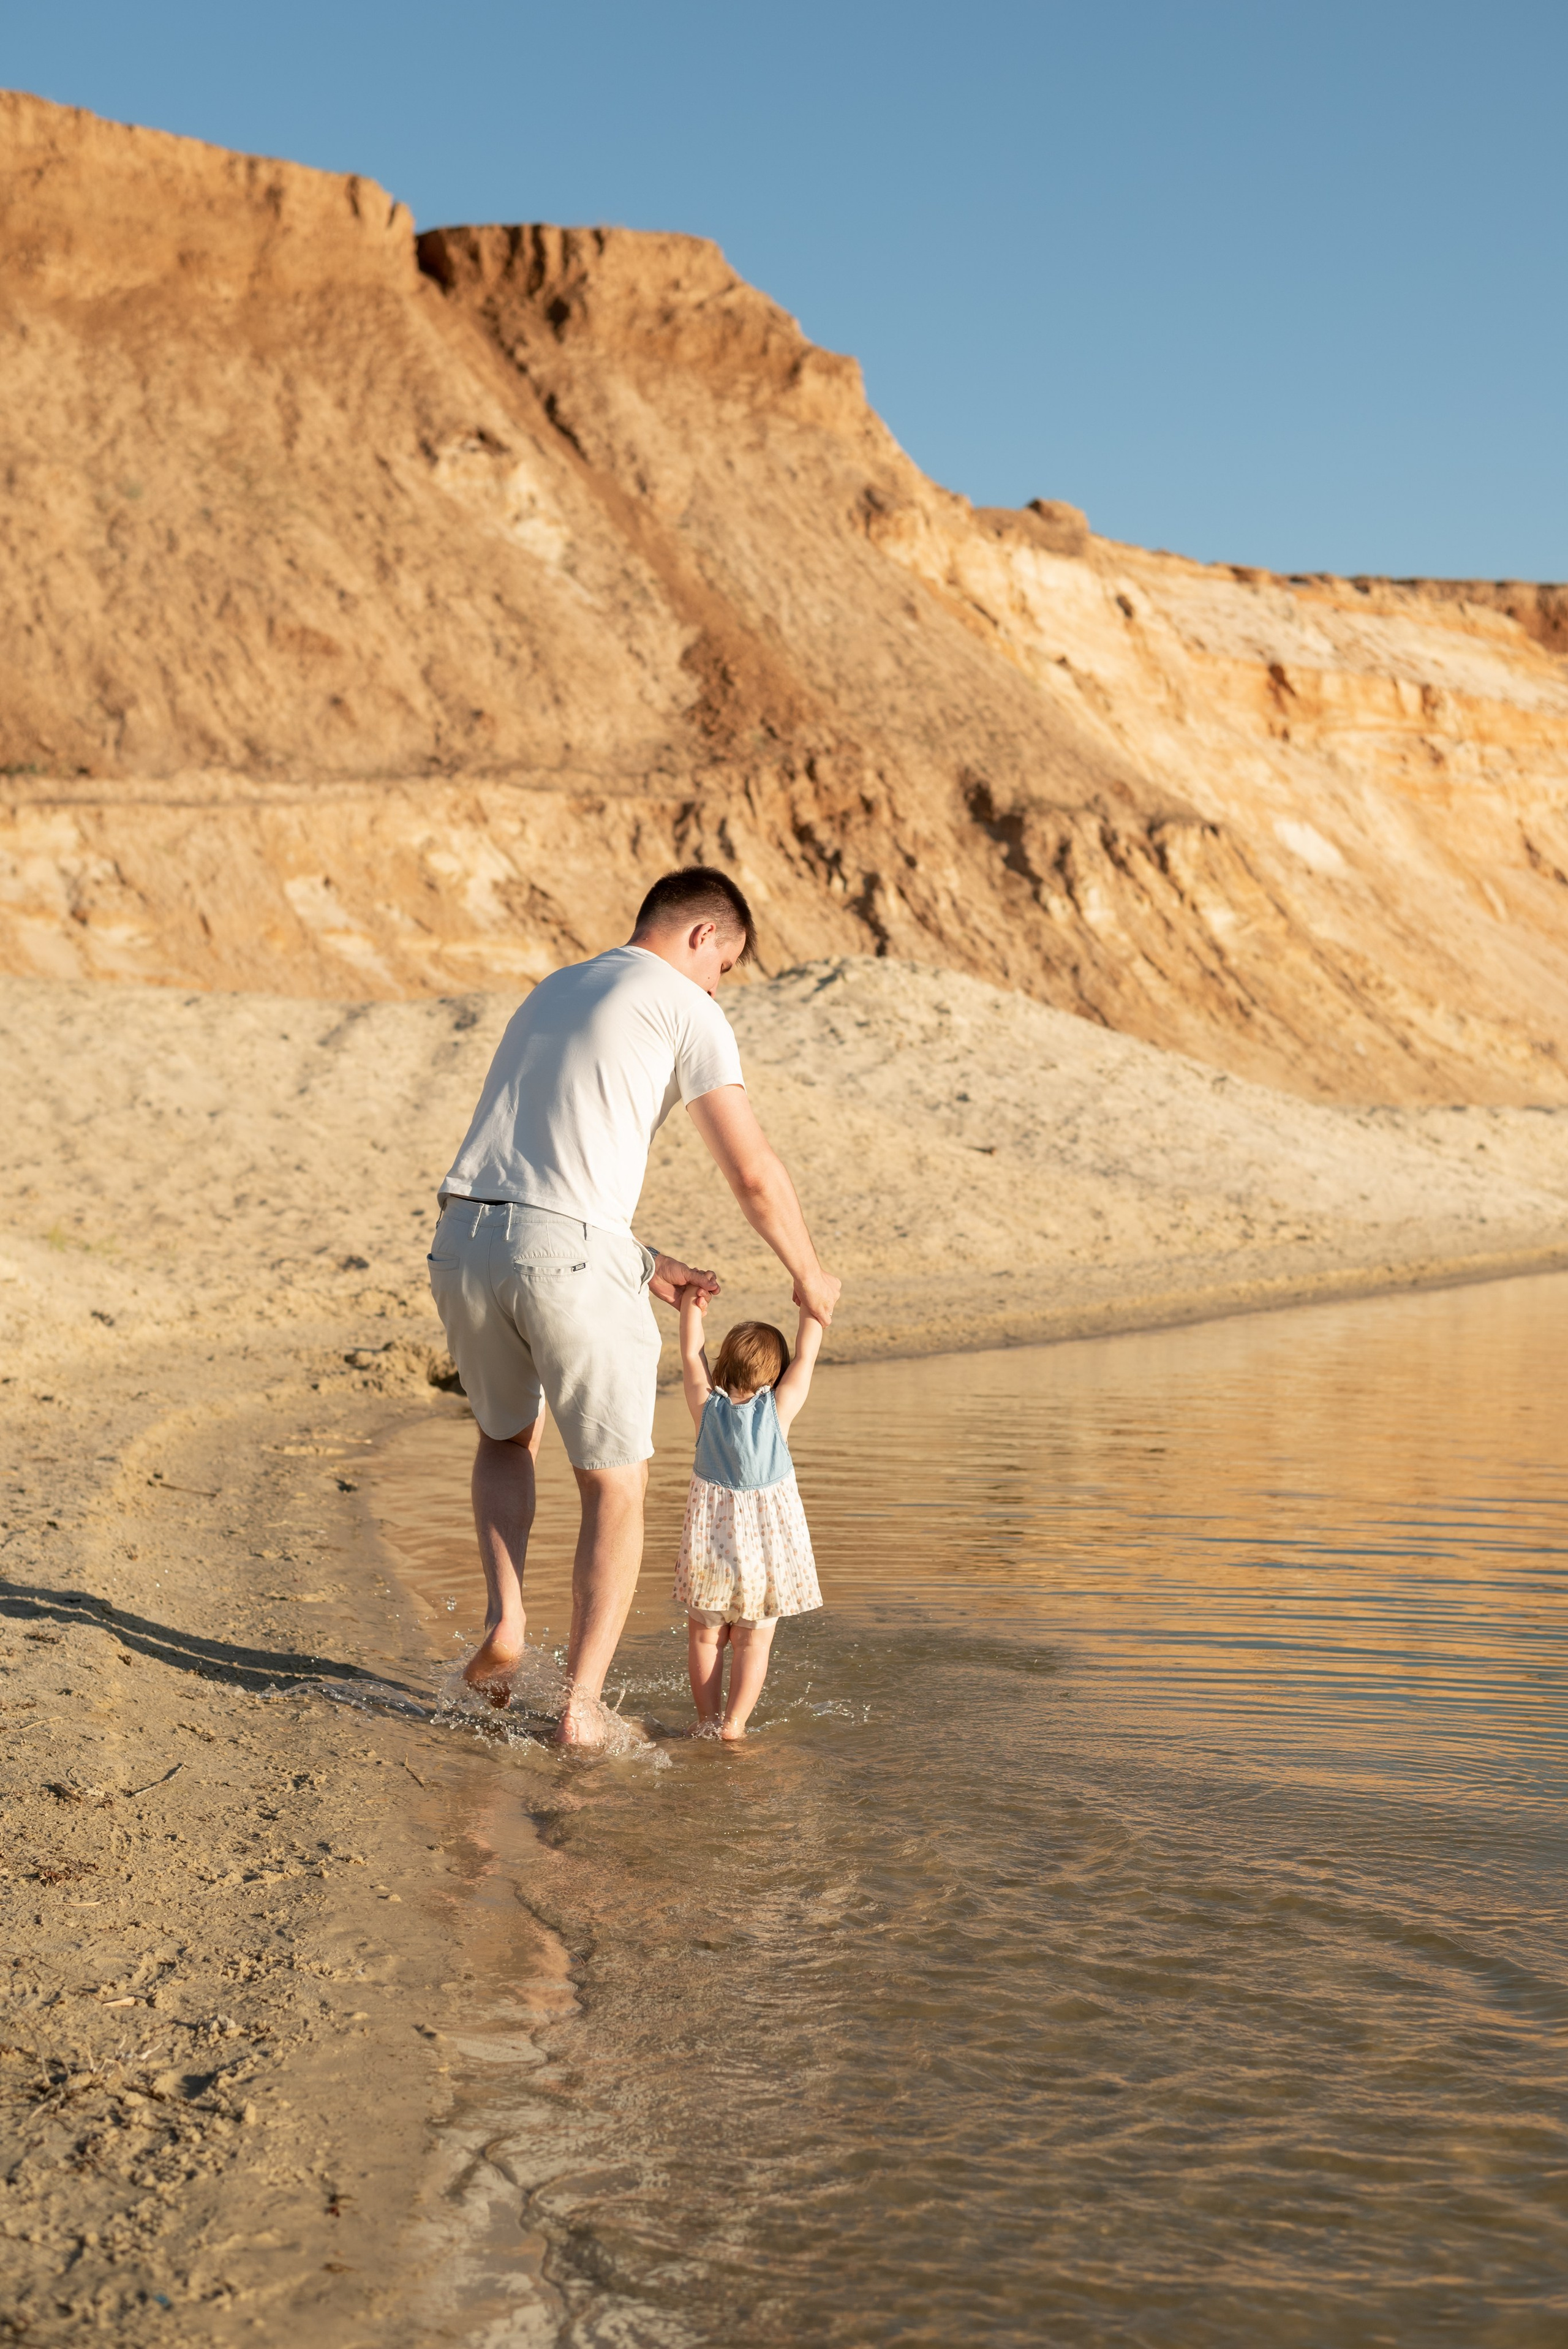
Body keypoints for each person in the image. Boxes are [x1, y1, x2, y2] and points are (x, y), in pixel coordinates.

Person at [428, 866, 840, 1746]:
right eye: (723, 965)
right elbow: (752, 1172)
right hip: (566, 1252)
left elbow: (535, 1164)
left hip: (463, 1238)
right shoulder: (687, 1005)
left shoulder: (558, 987)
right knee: (614, 1484)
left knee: (505, 1438)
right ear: (701, 938)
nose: (718, 983)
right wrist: (809, 1273)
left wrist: (643, 1259)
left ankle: (506, 1621)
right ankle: (581, 1708)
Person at [674, 1288, 823, 1739]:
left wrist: (691, 1308)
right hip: (766, 1556)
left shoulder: (706, 1407)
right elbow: (806, 1357)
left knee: (705, 1636)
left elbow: (689, 1353)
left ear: (722, 1367)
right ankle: (734, 1727)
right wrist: (810, 1306)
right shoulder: (778, 1411)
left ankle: (706, 1720)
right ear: (774, 1377)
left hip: (710, 1554)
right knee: (753, 1643)